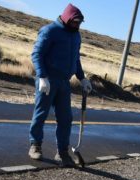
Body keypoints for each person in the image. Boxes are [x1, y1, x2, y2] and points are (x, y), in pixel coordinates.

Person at [28, 3, 93, 167]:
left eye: (79, 23)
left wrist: (82, 78)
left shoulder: (76, 35)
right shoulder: (50, 31)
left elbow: (75, 59)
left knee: (66, 118)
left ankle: (62, 152)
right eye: (75, 22)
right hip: (48, 80)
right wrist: (42, 76)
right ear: (67, 19)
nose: (77, 25)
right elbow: (37, 54)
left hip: (64, 83)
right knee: (41, 113)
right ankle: (35, 145)